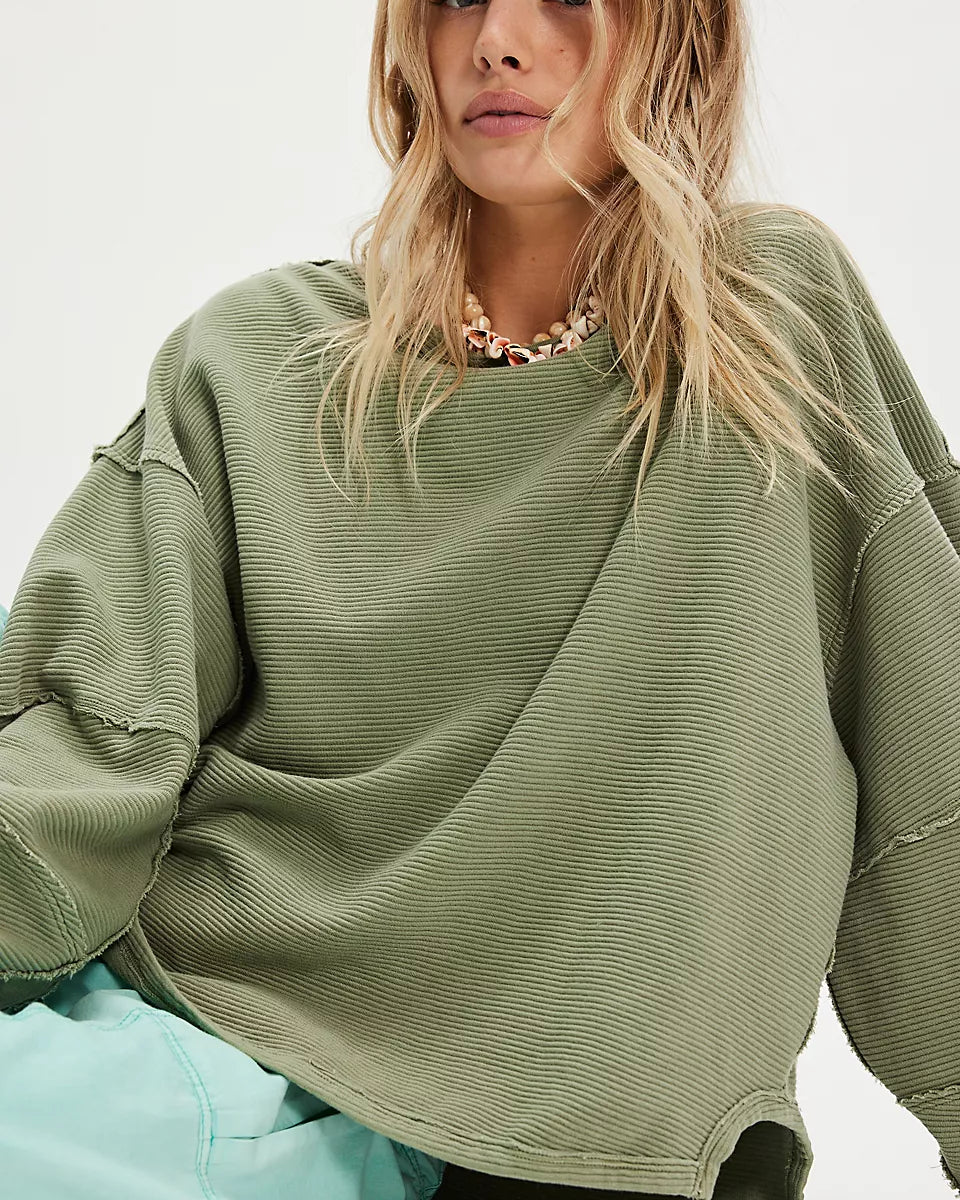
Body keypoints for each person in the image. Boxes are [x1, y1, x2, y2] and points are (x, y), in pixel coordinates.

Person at [2, 1, 959, 1199]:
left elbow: (935, 769)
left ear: (679, 36)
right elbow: (85, 741)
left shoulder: (766, 339)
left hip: (567, 1138)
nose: (498, 40)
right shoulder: (253, 359)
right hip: (201, 1040)